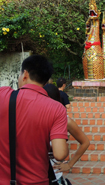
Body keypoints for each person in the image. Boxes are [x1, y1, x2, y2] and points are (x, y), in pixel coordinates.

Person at [0, 55, 68, 185]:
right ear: (46, 80)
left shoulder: (2, 95)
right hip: (37, 181)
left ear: (25, 74)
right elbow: (60, 154)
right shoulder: (57, 108)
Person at [44, 84, 90, 185]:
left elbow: (85, 142)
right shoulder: (37, 117)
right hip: (35, 175)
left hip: (55, 176)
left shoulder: (65, 120)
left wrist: (69, 164)